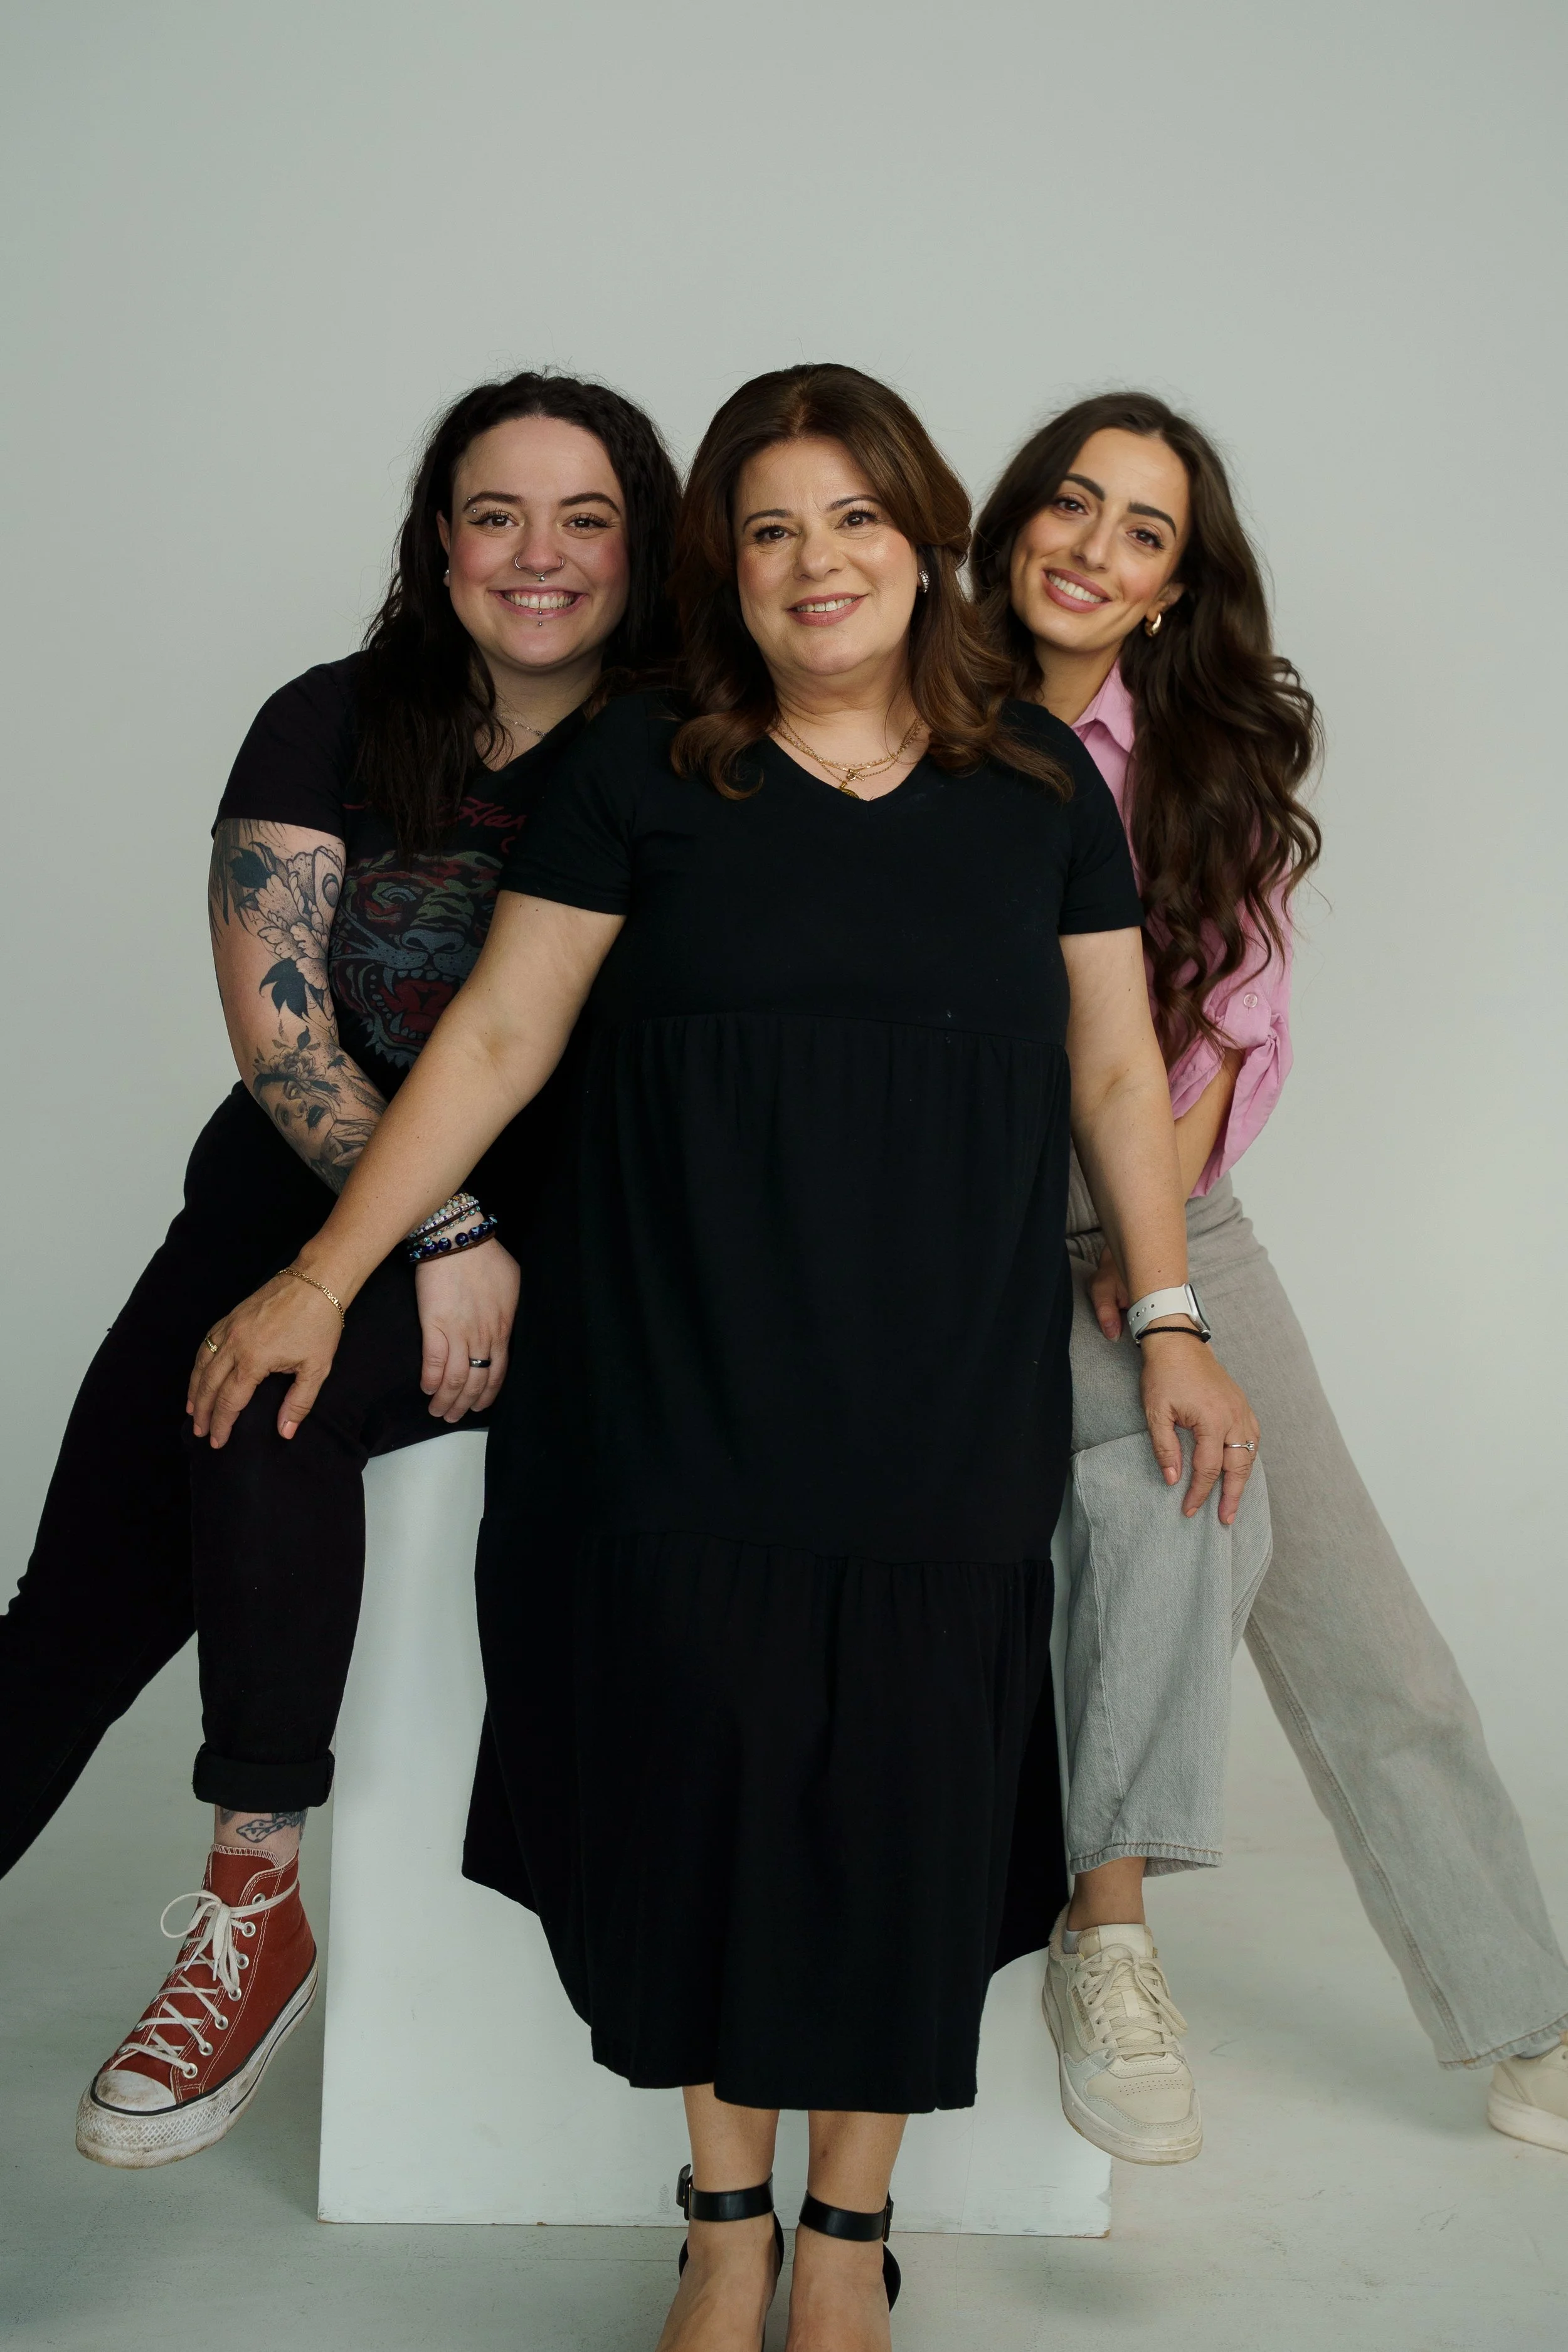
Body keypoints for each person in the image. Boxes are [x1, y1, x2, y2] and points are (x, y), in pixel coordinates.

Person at [190, 363, 1260, 2352]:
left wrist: (1172, 1311)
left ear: (923, 536)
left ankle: (851, 2230)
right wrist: (327, 1271)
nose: (813, 561)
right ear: (726, 571)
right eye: (766, 530)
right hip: (679, 1368)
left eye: (851, 518)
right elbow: (500, 1043)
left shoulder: (1036, 788)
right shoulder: (641, 777)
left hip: (937, 1382)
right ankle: (724, 2216)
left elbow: (1118, 1066)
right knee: (710, 1768)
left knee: (909, 1790)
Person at [0, 369, 681, 2169]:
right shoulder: (329, 718)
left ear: (644, 540)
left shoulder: (687, 751)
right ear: (434, 538)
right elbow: (275, 1015)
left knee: (269, 1406)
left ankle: (255, 1895)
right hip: (289, 1213)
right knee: (64, 1620)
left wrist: (481, 1243)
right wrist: (421, 1227)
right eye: (493, 513)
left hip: (564, 1264)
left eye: (584, 517)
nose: (536, 556)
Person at [972, 389, 1568, 2165]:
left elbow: (1222, 1027)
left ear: (1171, 586)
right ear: (1011, 523)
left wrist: (1156, 1274)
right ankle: (1104, 1939)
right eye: (1068, 506)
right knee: (1166, 1523)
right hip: (964, 1228)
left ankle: (1525, 2013)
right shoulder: (910, 716)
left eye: (1139, 531)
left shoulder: (1200, 759)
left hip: (1163, 1218)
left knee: (1360, 1625)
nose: (1089, 547)